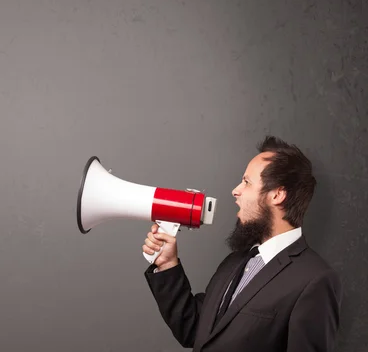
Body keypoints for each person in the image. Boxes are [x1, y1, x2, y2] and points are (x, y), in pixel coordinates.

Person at [143, 135, 342, 352]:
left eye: (246, 182)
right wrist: (167, 264)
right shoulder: (235, 262)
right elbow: (194, 329)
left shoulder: (315, 280)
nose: (235, 190)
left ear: (277, 194)